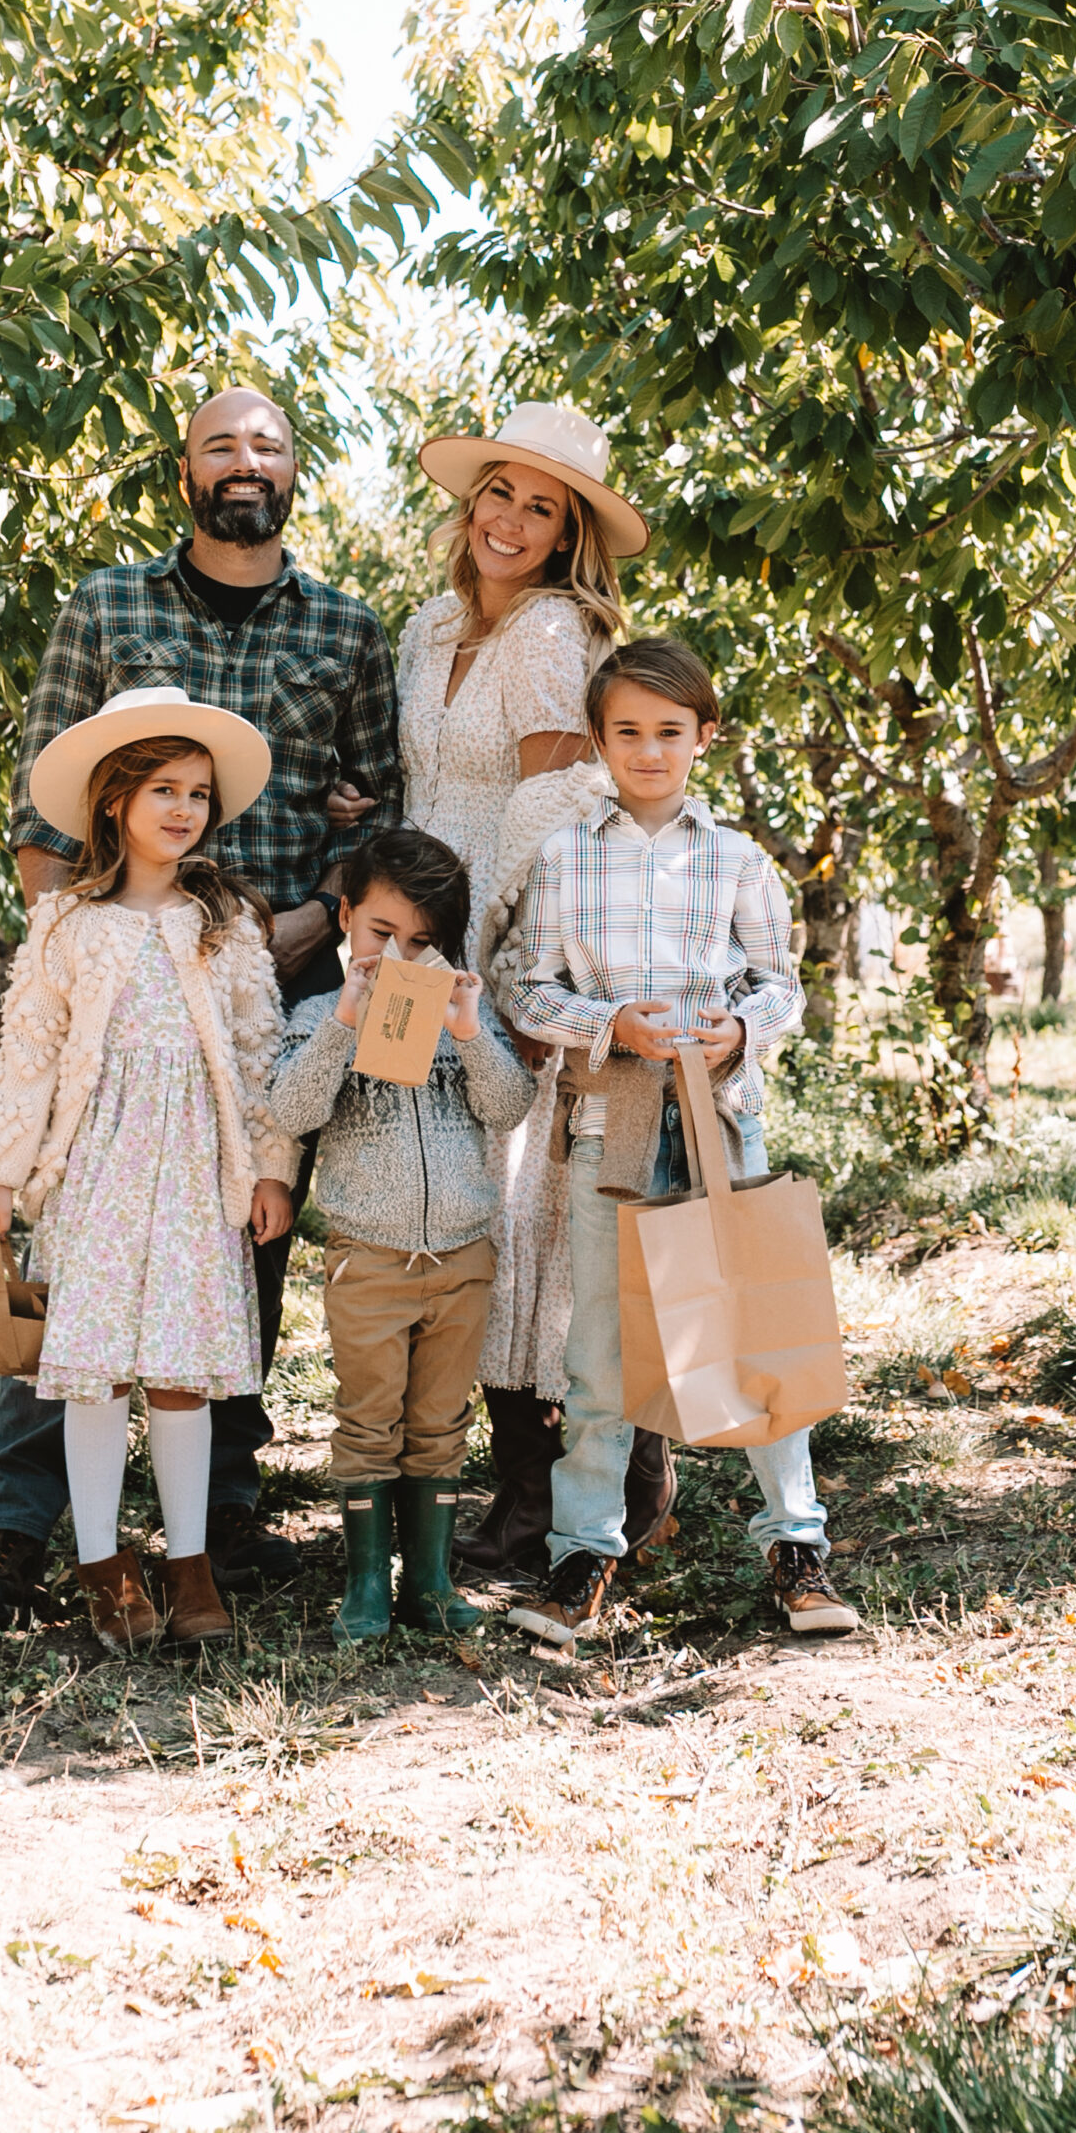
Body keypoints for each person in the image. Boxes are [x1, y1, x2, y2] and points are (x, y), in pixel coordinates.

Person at [0, 385, 402, 1630]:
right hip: (108, 978)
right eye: (219, 444)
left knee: (228, 1268)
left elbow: (383, 809)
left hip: (269, 971)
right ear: (185, 470)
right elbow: (47, 819)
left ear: (296, 471)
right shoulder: (109, 606)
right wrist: (78, 931)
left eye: (268, 442)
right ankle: (21, 1524)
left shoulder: (349, 633)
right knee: (76, 1281)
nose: (244, 461)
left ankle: (218, 1520)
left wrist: (301, 922)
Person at [332, 402, 673, 1581]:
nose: (512, 521)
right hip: (418, 907)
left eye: (543, 507)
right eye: (500, 494)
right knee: (450, 1170)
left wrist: (486, 954)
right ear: (467, 501)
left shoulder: (550, 632)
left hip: (491, 921)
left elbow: (544, 809)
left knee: (518, 1190)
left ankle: (576, 1484)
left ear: (570, 530)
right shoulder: (430, 627)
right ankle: (492, 1465)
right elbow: (426, 770)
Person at [501, 636, 859, 1646]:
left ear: (705, 735)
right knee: (602, 1352)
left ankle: (798, 1547)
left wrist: (743, 1030)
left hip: (716, 1120)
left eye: (669, 731)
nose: (648, 751)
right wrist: (609, 1023)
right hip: (612, 1119)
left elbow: (778, 981)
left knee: (748, 1322)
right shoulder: (566, 855)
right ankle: (584, 1556)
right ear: (600, 741)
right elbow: (529, 985)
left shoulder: (737, 858)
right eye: (627, 732)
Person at [0, 689, 298, 1651]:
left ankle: (190, 1562)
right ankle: (104, 1563)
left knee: (183, 1376)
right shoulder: (69, 922)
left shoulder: (223, 923)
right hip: (101, 1168)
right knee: (95, 1374)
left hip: (198, 1169)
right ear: (116, 800)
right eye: (162, 788)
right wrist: (0, 1172)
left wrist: (270, 1168)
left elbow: (257, 1050)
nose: (183, 808)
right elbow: (28, 1048)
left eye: (198, 792)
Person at [267, 829, 536, 1643]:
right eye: (382, 933)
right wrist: (345, 1021)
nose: (397, 952)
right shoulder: (317, 1015)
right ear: (347, 917)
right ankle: (363, 1587)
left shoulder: (470, 1017)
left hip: (462, 1253)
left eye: (420, 942)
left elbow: (509, 1106)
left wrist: (467, 1029)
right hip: (369, 1256)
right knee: (368, 1418)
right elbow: (291, 1110)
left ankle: (428, 1580)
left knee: (440, 1419)